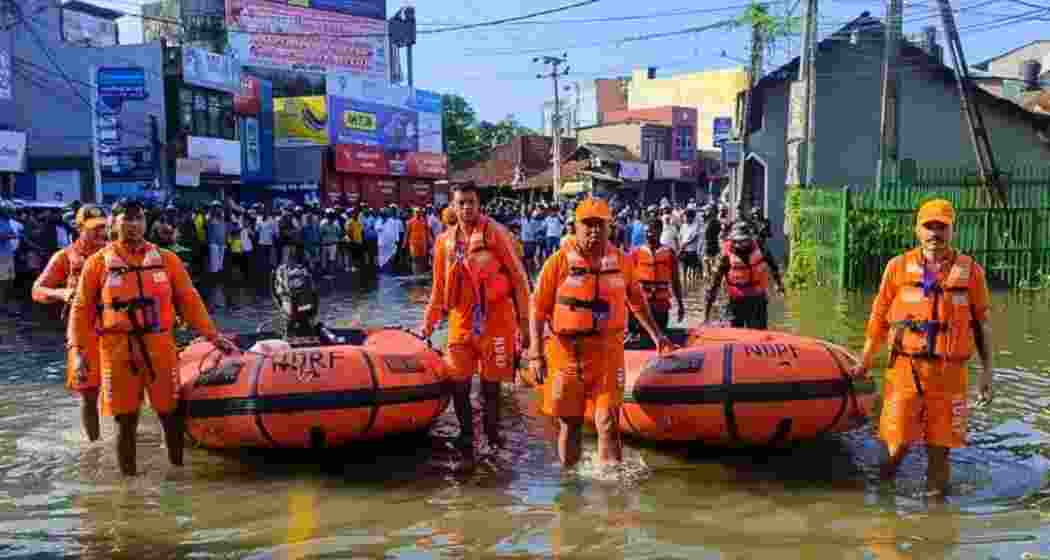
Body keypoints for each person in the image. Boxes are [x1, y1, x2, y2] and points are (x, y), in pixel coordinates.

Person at [67, 199, 236, 476]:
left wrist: (212, 335)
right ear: (114, 222)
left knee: (170, 414)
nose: (133, 225)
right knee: (125, 420)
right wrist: (78, 353)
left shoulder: (167, 260)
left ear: (146, 223)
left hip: (159, 345)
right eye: (127, 218)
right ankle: (129, 486)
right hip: (116, 348)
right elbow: (81, 311)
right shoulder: (97, 264)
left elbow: (189, 300)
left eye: (139, 218)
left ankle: (177, 471)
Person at [849, 199, 994, 497]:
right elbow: (878, 318)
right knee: (897, 447)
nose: (935, 234)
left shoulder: (972, 273)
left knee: (940, 453)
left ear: (952, 230)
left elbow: (981, 326)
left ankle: (935, 529)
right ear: (918, 230)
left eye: (942, 227)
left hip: (950, 375)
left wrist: (988, 374)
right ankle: (881, 506)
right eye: (929, 227)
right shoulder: (897, 267)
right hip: (905, 371)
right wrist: (865, 360)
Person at [528, 197, 674, 468]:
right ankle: (569, 489)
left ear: (610, 227)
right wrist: (536, 354)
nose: (594, 231)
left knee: (607, 422)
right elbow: (537, 309)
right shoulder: (557, 263)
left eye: (601, 225)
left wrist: (657, 335)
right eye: (588, 225)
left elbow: (637, 301)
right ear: (576, 227)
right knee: (569, 424)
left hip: (607, 353)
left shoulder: (622, 261)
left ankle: (611, 494)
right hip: (566, 355)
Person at [421, 183, 531, 448]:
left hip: (496, 321)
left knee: (491, 388)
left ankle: (493, 440)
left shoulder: (495, 234)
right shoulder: (443, 242)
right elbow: (438, 289)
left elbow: (518, 278)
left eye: (471, 202)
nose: (467, 207)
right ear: (453, 206)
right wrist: (427, 325)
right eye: (461, 203)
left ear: (478, 203)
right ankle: (467, 436)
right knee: (458, 384)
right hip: (461, 321)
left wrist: (524, 325)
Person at [32, 205, 109, 441]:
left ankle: (126, 438)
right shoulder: (65, 256)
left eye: (104, 227)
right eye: (94, 228)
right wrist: (62, 293)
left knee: (123, 388)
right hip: (82, 332)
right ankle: (94, 446)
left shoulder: (113, 253)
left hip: (115, 328)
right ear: (78, 228)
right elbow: (37, 290)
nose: (101, 233)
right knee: (88, 393)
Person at [704, 221, 785, 329]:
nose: (740, 245)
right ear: (732, 240)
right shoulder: (725, 256)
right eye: (737, 241)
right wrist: (707, 314)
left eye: (744, 241)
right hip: (735, 300)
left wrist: (779, 285)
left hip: (757, 298)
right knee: (734, 333)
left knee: (759, 333)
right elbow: (714, 283)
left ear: (750, 239)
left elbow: (773, 266)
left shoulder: (760, 247)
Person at [631, 218, 685, 334]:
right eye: (647, 232)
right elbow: (628, 282)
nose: (649, 235)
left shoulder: (669, 253)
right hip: (642, 305)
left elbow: (676, 282)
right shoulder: (636, 253)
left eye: (652, 231)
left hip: (661, 306)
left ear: (660, 231)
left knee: (661, 335)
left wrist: (680, 305)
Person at [404, 208, 432, 275]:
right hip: (413, 244)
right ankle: (415, 273)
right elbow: (407, 233)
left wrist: (430, 242)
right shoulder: (410, 222)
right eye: (416, 212)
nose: (418, 213)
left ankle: (421, 273)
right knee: (415, 259)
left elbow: (427, 232)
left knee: (422, 259)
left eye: (419, 212)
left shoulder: (424, 221)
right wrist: (404, 244)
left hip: (423, 244)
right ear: (414, 213)